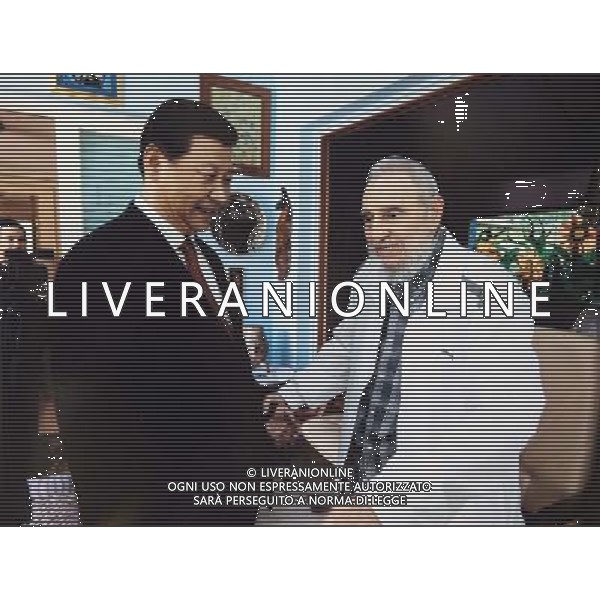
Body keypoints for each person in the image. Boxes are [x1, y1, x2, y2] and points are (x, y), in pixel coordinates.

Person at [265, 156, 546, 525]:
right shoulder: (370, 274)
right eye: (369, 218)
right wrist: (291, 398)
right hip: (363, 470)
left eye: (393, 214)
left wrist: (383, 506)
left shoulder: (486, 285)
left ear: (434, 211)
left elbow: (509, 412)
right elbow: (345, 349)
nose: (377, 232)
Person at [50, 99, 272, 526]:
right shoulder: (94, 263)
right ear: (154, 161)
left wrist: (263, 408)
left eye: (227, 180)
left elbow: (225, 373)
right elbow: (88, 423)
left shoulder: (211, 260)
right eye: (208, 177)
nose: (221, 196)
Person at [0, 218, 48, 525]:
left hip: (23, 369)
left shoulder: (35, 271)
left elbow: (43, 315)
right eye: (9, 239)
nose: (15, 245)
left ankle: (16, 511)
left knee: (19, 438)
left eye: (20, 239)